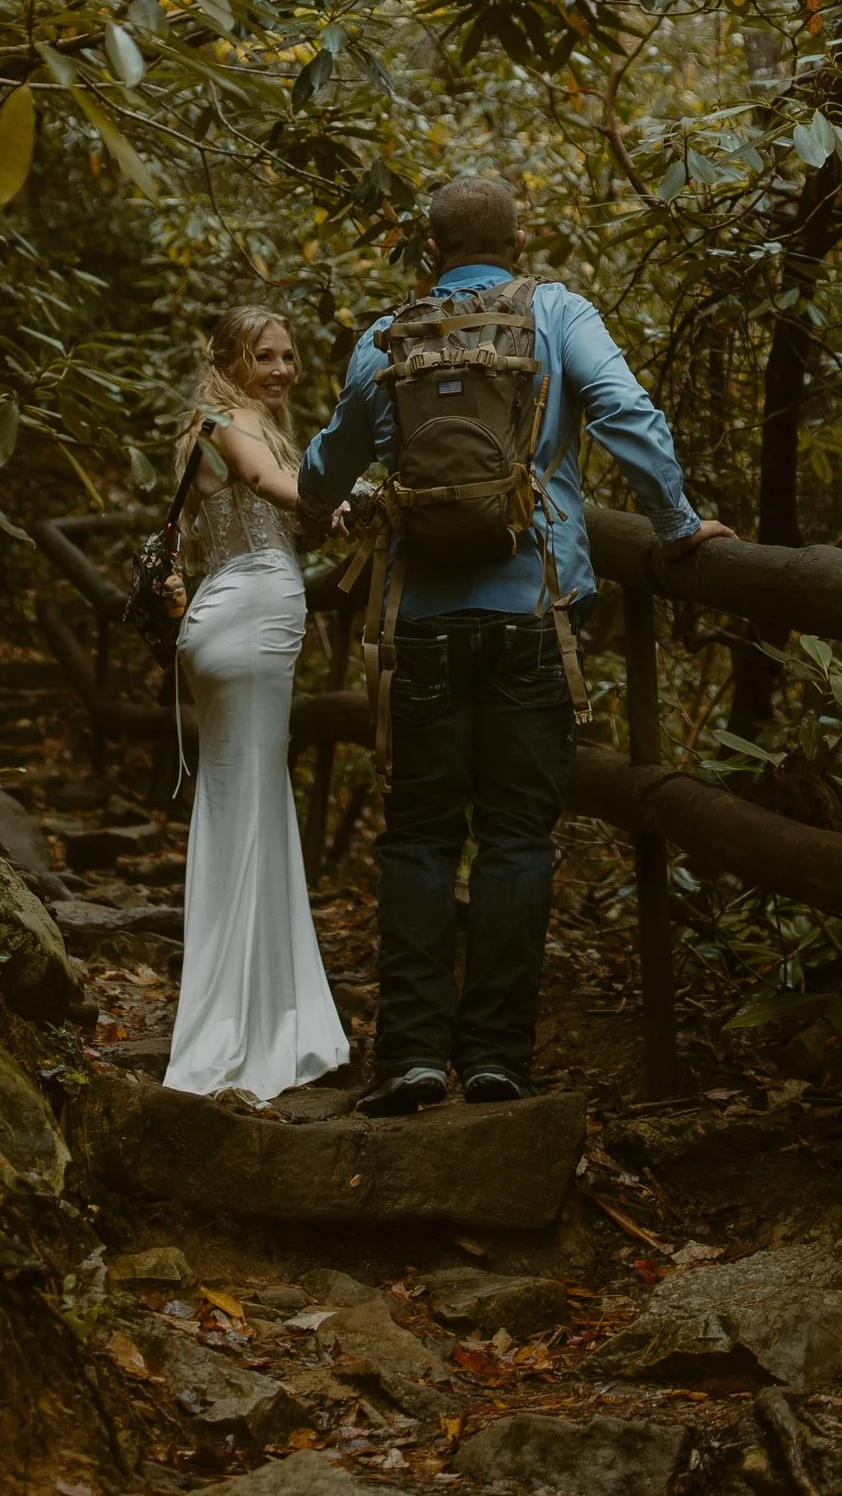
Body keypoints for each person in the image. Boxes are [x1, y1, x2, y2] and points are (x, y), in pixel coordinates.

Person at [295, 174, 733, 1116]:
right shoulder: (557, 314)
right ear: (519, 240)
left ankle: (410, 1056)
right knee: (516, 840)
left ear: (430, 250)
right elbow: (627, 416)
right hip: (534, 617)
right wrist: (678, 523)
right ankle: (497, 1059)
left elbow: (322, 471)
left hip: (416, 626)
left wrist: (331, 502)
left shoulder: (388, 337)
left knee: (416, 838)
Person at [161, 304, 352, 1108]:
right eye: (263, 356)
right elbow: (268, 486)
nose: (280, 370)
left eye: (288, 356)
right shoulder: (224, 422)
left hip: (238, 619)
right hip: (246, 626)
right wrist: (335, 496)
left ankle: (266, 1012)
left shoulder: (244, 422)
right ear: (230, 361)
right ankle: (235, 1035)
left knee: (251, 809)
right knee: (248, 814)